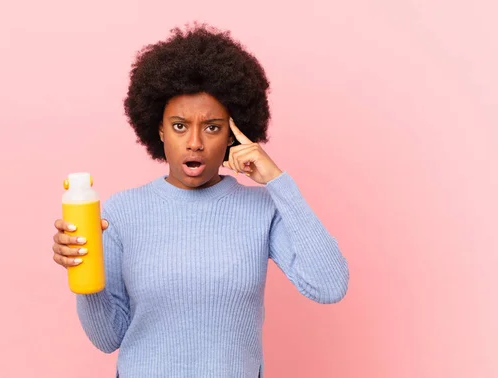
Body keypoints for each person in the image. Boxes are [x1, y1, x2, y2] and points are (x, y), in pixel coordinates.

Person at [52, 23, 349, 378]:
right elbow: (107, 338)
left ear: (234, 134)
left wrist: (276, 181)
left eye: (212, 127)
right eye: (179, 126)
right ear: (159, 129)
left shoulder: (261, 209)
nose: (194, 142)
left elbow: (329, 285)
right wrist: (85, 275)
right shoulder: (121, 212)